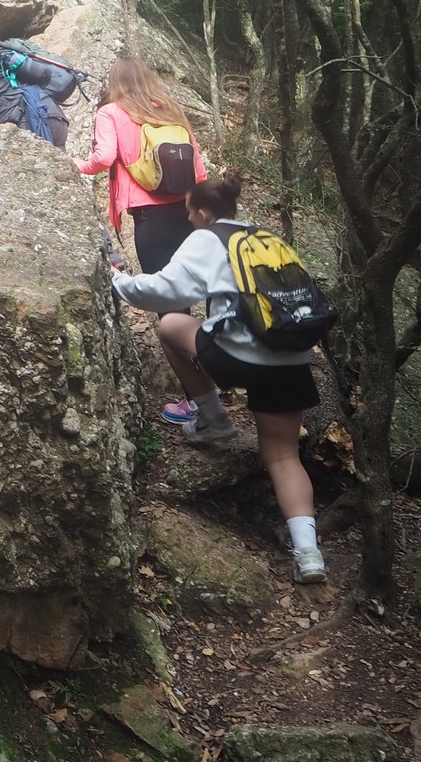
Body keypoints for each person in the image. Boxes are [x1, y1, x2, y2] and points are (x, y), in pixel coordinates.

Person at [112, 175, 327, 584]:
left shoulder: (205, 239)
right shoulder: (266, 237)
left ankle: (213, 419)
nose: (188, 219)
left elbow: (164, 292)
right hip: (290, 356)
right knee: (284, 456)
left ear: (202, 212)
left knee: (170, 325)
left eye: (189, 212)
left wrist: (116, 280)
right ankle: (309, 554)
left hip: (239, 356)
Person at [75, 58, 207, 274]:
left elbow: (105, 157)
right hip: (186, 207)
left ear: (115, 82)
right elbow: (197, 165)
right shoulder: (171, 109)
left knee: (162, 285)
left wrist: (81, 166)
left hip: (149, 214)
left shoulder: (111, 112)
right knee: (191, 279)